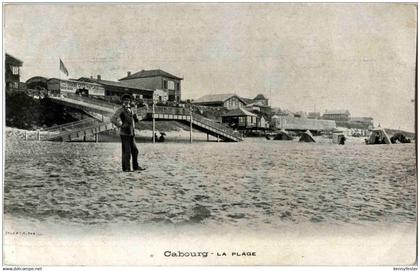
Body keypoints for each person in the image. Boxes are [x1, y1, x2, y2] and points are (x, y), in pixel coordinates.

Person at [111, 94, 145, 172]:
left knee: (135, 150)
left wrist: (137, 116)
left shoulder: (132, 109)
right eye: (125, 100)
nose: (127, 101)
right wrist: (120, 125)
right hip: (125, 133)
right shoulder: (121, 109)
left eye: (128, 100)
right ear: (123, 101)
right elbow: (113, 119)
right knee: (126, 151)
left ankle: (135, 167)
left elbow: (135, 120)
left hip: (131, 133)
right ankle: (126, 168)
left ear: (130, 101)